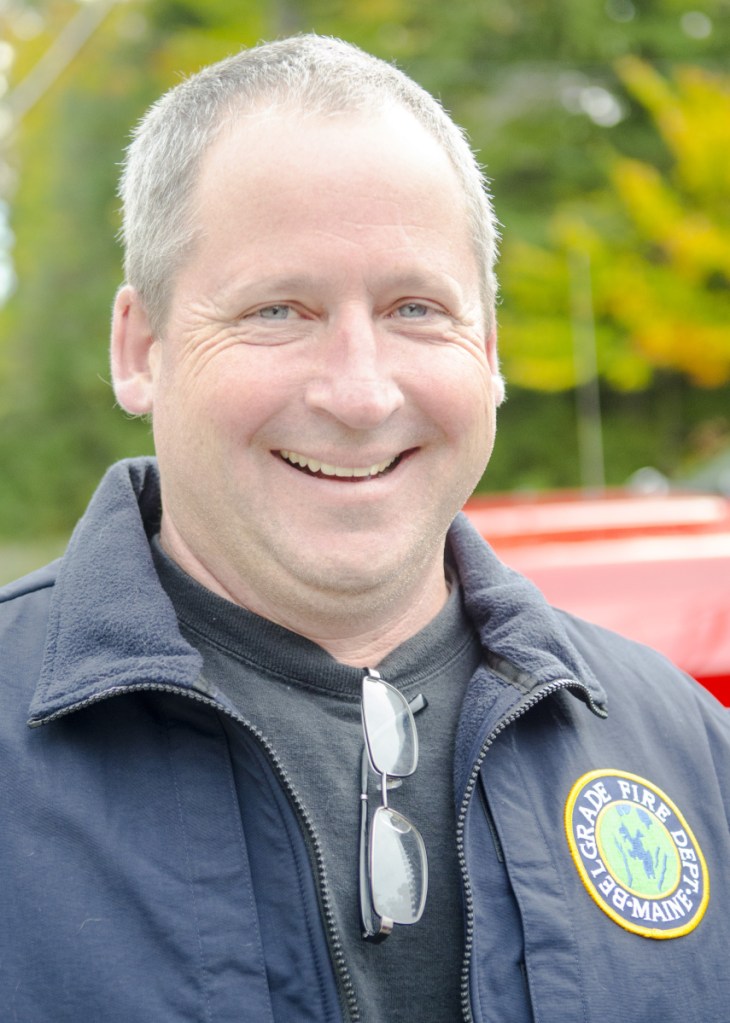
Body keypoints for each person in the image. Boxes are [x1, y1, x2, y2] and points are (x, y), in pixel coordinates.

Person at [0, 34, 728, 1023]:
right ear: (141, 347)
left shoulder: (690, 751)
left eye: (416, 307)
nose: (358, 391)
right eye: (278, 311)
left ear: (489, 349)